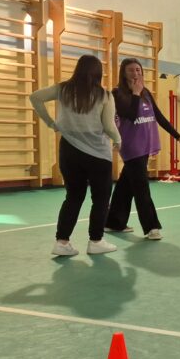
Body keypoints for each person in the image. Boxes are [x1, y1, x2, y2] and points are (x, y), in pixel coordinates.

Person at [29, 55, 122, 257]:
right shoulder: (104, 95)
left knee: (73, 197)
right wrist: (118, 139)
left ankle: (62, 242)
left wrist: (49, 122)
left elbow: (35, 96)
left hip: (69, 151)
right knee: (100, 198)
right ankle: (96, 241)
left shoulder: (63, 89)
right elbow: (109, 125)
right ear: (98, 73)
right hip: (98, 154)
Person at [105, 58, 180, 240]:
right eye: (131, 70)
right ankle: (151, 226)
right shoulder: (116, 94)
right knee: (141, 187)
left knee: (125, 185)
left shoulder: (146, 93)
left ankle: (113, 222)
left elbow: (159, 117)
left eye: (138, 70)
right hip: (131, 147)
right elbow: (130, 114)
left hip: (145, 146)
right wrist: (135, 94)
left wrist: (179, 137)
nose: (136, 73)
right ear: (123, 72)